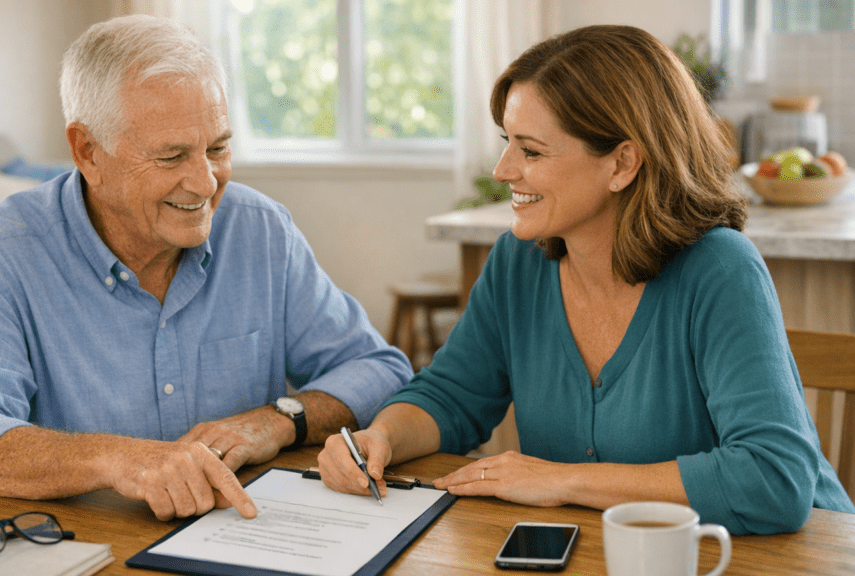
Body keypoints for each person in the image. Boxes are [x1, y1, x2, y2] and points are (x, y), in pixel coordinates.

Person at [316, 25, 855, 535]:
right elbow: (452, 395)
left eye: (530, 150)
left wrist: (559, 480)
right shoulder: (517, 262)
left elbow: (773, 480)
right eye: (507, 140)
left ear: (622, 163)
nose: (503, 169)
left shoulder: (720, 270)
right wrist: (378, 438)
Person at [0, 15, 412, 521]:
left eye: (217, 148)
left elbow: (379, 369)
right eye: (172, 156)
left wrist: (279, 420)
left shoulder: (260, 230)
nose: (205, 182)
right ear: (88, 151)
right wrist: (120, 459)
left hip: (239, 536)